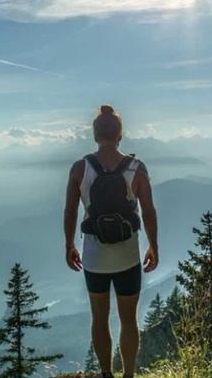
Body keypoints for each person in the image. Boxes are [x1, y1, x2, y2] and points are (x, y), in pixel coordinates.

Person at [64, 104, 158, 378]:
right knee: (129, 320)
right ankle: (128, 374)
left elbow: (70, 211)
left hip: (94, 256)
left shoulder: (80, 168)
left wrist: (69, 245)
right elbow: (149, 211)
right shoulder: (137, 168)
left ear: (95, 135)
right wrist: (154, 246)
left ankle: (106, 374)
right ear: (120, 135)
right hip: (128, 255)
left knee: (99, 319)